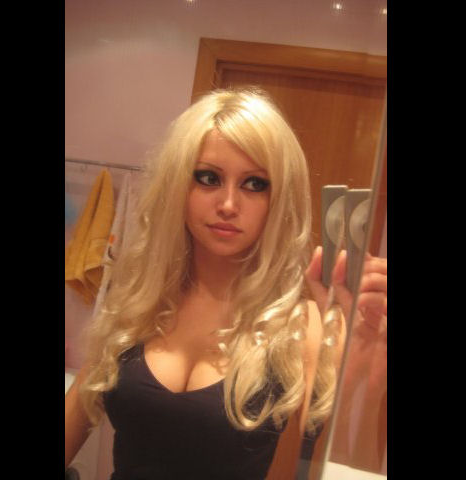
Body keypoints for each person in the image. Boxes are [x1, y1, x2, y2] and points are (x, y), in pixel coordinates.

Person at [65, 88, 387, 480]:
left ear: (279, 198)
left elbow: (331, 467)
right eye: (208, 178)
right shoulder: (138, 301)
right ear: (178, 186)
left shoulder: (300, 326)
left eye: (255, 184)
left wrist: (366, 366)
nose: (229, 204)